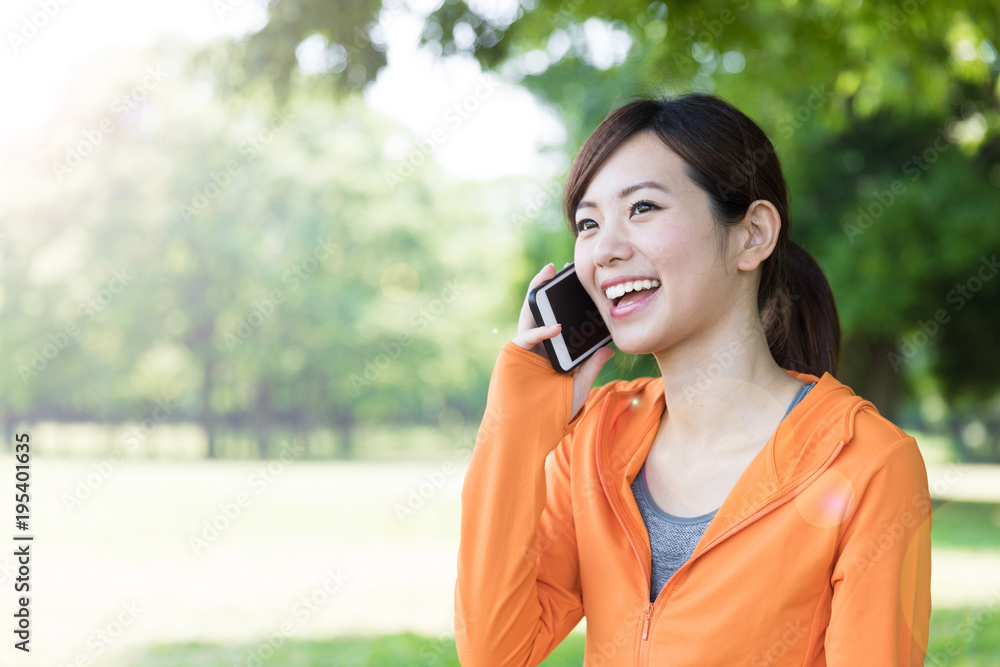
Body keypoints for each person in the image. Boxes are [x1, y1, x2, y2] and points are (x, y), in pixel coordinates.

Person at [453, 93, 932, 666]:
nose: (604, 249)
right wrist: (519, 421)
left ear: (752, 234)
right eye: (587, 222)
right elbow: (494, 651)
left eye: (643, 208)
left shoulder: (868, 464)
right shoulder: (594, 440)